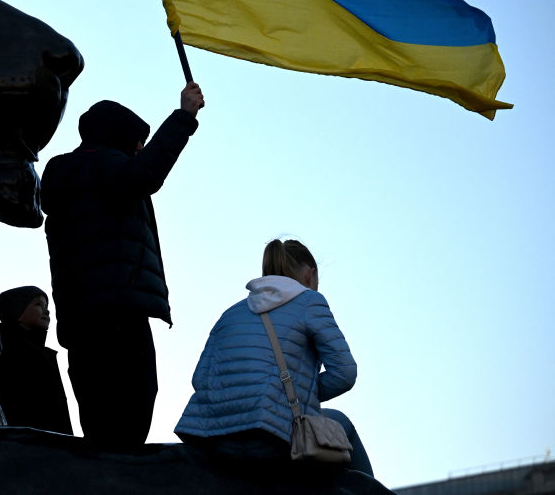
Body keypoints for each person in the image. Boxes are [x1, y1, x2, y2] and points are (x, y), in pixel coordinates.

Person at [40, 82, 204, 449]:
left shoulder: (70, 175)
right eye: (137, 143)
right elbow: (146, 174)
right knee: (133, 406)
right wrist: (184, 117)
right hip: (119, 313)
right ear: (119, 138)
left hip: (80, 315)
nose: (140, 151)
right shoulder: (104, 165)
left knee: (99, 421)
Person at [175, 239, 374, 476]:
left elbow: (200, 379)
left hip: (213, 436)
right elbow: (345, 373)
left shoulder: (230, 313)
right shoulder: (310, 301)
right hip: (271, 438)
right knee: (342, 424)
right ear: (310, 275)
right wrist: (296, 396)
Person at [0, 286, 73, 434]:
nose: (47, 311)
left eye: (47, 306)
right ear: (17, 312)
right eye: (38, 304)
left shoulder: (42, 354)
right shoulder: (5, 351)